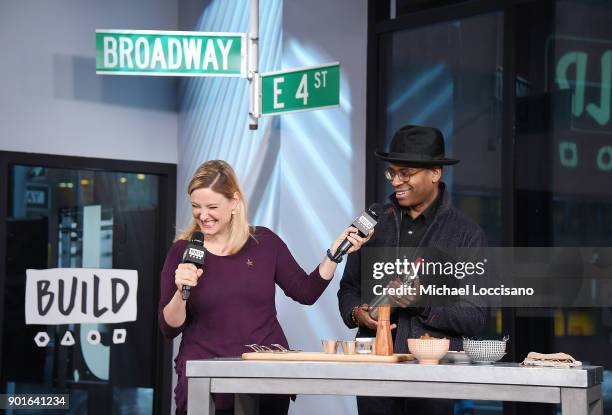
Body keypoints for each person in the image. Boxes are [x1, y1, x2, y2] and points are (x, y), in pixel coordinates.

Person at [159, 160, 372, 415]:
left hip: (264, 374)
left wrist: (334, 254)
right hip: (204, 377)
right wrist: (181, 290)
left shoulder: (265, 242)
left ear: (234, 201)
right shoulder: (182, 252)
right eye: (196, 207)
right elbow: (168, 328)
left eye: (212, 207)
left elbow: (305, 292)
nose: (203, 215)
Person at [337, 125, 488, 415]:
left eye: (405, 173)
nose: (395, 181)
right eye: (391, 172)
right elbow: (349, 289)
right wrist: (358, 314)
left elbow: (475, 316)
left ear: (435, 173)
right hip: (373, 370)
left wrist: (423, 304)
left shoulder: (466, 235)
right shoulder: (371, 222)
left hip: (434, 375)